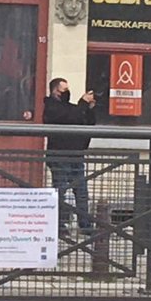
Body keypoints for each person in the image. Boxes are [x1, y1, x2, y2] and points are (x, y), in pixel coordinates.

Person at [42, 77, 97, 235]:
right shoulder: (51, 107)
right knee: (60, 190)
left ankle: (85, 224)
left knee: (81, 191)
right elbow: (66, 116)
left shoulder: (72, 108)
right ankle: (59, 224)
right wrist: (82, 104)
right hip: (59, 155)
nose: (67, 93)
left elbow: (85, 121)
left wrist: (90, 109)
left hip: (76, 155)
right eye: (64, 90)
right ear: (55, 91)